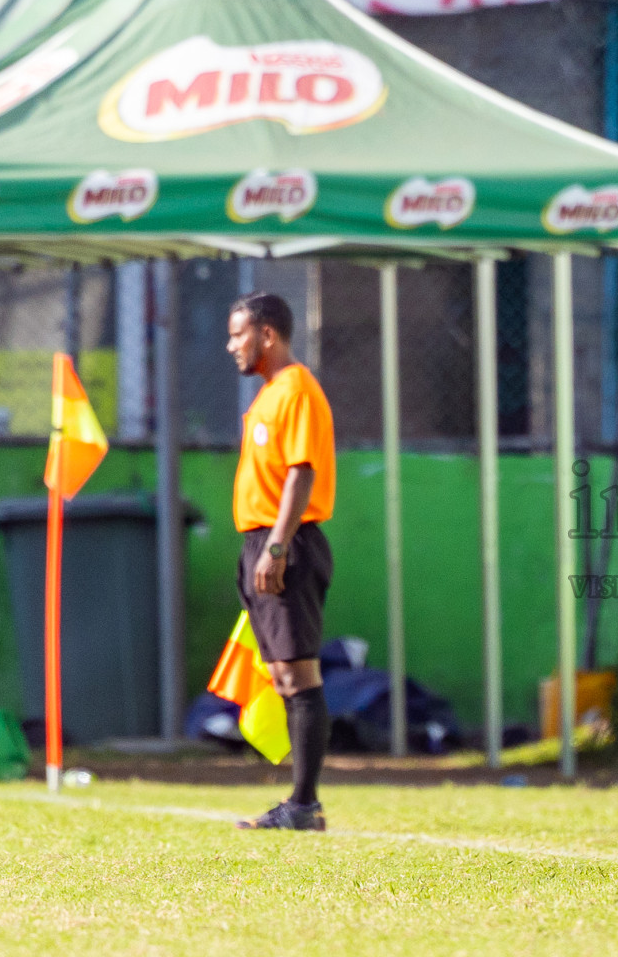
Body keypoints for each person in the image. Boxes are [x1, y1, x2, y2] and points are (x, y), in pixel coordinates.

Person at [226, 291, 337, 832]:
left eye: (238, 335)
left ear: (267, 334)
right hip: (261, 543)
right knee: (280, 673)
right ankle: (299, 802)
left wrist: (276, 546)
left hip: (285, 544)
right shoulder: (269, 394)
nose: (231, 346)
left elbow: (301, 471)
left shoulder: (297, 390)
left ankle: (304, 804)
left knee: (298, 673)